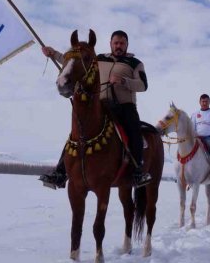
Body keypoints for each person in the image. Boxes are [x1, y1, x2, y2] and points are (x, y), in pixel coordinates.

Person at [39, 30, 152, 189]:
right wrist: (53, 53)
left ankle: (138, 171)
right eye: (116, 43)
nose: (118, 46)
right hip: (101, 104)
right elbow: (74, 61)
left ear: (127, 45)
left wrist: (123, 81)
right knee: (76, 134)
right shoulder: (99, 59)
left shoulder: (135, 63)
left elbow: (143, 85)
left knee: (133, 131)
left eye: (122, 43)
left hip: (124, 106)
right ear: (111, 44)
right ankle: (60, 172)